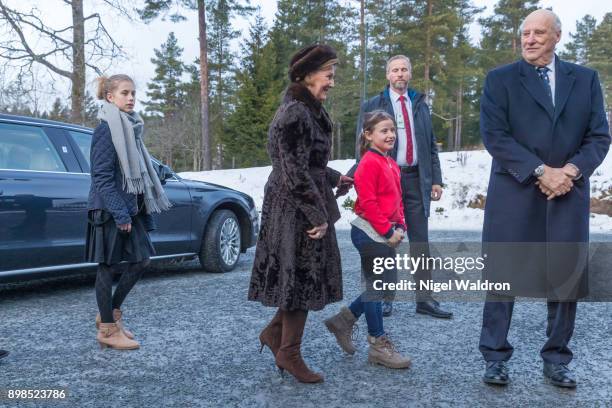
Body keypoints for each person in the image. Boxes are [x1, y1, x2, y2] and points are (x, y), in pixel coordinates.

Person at [479, 9, 610, 388]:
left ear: (557, 37)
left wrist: (569, 172)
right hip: (516, 190)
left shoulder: (585, 79)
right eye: (525, 33)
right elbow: (495, 135)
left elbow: (599, 136)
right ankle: (495, 357)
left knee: (565, 277)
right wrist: (542, 171)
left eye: (539, 33)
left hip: (568, 192)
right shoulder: (500, 80)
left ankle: (556, 359)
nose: (530, 39)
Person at [248, 44, 352, 384]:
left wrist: (335, 178)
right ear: (306, 76)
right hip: (293, 208)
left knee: (301, 280)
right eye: (328, 75)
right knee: (299, 281)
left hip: (300, 201)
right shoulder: (295, 113)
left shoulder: (308, 111)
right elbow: (292, 170)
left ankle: (276, 335)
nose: (332, 83)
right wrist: (316, 214)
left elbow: (308, 163)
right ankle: (289, 352)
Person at [351, 55, 451, 319]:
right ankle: (383, 298)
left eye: (404, 69)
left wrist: (436, 179)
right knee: (383, 240)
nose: (400, 74)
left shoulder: (420, 105)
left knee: (420, 240)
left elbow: (430, 145)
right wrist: (361, 179)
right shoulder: (373, 105)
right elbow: (362, 148)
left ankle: (424, 299)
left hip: (416, 179)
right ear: (387, 75)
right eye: (395, 70)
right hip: (385, 180)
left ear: (410, 73)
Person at [86, 74, 171, 350]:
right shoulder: (106, 129)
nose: (131, 98)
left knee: (141, 261)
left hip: (130, 208)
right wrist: (120, 214)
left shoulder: (131, 128)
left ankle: (110, 315)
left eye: (133, 93)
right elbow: (101, 176)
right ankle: (108, 330)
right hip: (110, 210)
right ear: (110, 97)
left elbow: (134, 169)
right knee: (107, 268)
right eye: (125, 93)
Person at [325, 110, 411, 369]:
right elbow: (370, 204)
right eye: (383, 130)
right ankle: (377, 345)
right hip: (368, 233)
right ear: (368, 135)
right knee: (376, 288)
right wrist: (387, 232)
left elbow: (397, 200)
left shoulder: (391, 163)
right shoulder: (369, 163)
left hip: (386, 231)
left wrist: (402, 226)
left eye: (392, 130)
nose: (390, 134)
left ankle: (344, 320)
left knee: (380, 287)